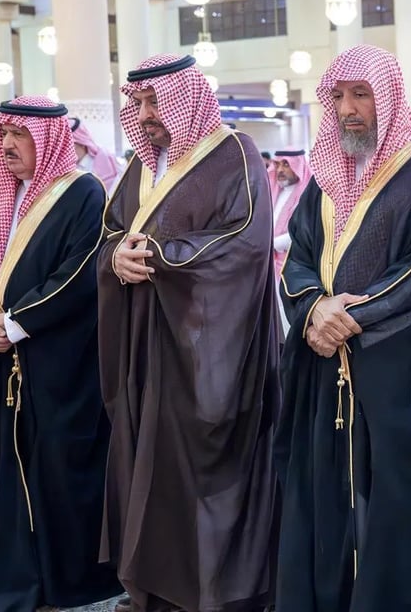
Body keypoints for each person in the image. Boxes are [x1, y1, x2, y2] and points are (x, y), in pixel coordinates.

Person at [275, 45, 411, 611]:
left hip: (401, 374)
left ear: (385, 98)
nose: (347, 109)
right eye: (338, 96)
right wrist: (313, 309)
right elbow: (298, 258)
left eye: (360, 94)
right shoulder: (324, 179)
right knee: (329, 500)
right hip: (327, 369)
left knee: (396, 508)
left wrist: (346, 319)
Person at [98, 54, 280, 612]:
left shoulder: (234, 153)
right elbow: (112, 233)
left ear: (186, 99)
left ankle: (211, 595)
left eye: (156, 101)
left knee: (199, 471)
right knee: (146, 467)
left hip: (206, 350)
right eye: (139, 103)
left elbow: (244, 243)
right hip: (144, 344)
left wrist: (160, 255)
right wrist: (116, 258)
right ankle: (151, 588)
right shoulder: (140, 165)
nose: (146, 115)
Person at [0, 96, 121, 611]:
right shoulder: (0, 197)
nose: (5, 145)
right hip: (0, 362)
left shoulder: (83, 193)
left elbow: (80, 272)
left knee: (57, 474)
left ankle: (64, 586)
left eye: (18, 135)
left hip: (58, 365)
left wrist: (18, 322)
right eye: (3, 135)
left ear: (47, 141)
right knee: (1, 473)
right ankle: (10, 581)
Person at [269, 148, 311, 279]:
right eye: (277, 164)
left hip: (295, 267)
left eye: (286, 164)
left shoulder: (308, 195)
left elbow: (304, 233)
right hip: (271, 265)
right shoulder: (274, 192)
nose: (280, 170)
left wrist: (271, 244)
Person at [71, 116, 124, 192]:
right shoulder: (68, 169)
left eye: (70, 146)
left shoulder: (107, 159)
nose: (67, 151)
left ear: (82, 144)